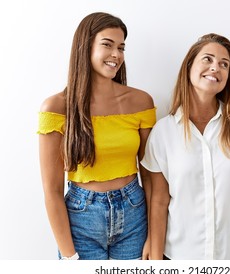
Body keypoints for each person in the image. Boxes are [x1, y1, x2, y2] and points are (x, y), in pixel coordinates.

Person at [141, 33, 230, 260]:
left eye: (224, 64)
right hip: (180, 257)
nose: (215, 68)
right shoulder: (164, 132)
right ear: (189, 65)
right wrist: (155, 259)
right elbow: (159, 201)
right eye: (207, 59)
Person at [38, 12, 155, 260]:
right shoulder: (56, 107)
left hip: (134, 213)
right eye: (107, 45)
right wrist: (70, 258)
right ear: (85, 46)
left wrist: (154, 236)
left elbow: (151, 175)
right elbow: (52, 191)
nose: (117, 55)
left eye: (121, 47)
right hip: (81, 218)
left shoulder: (140, 102)